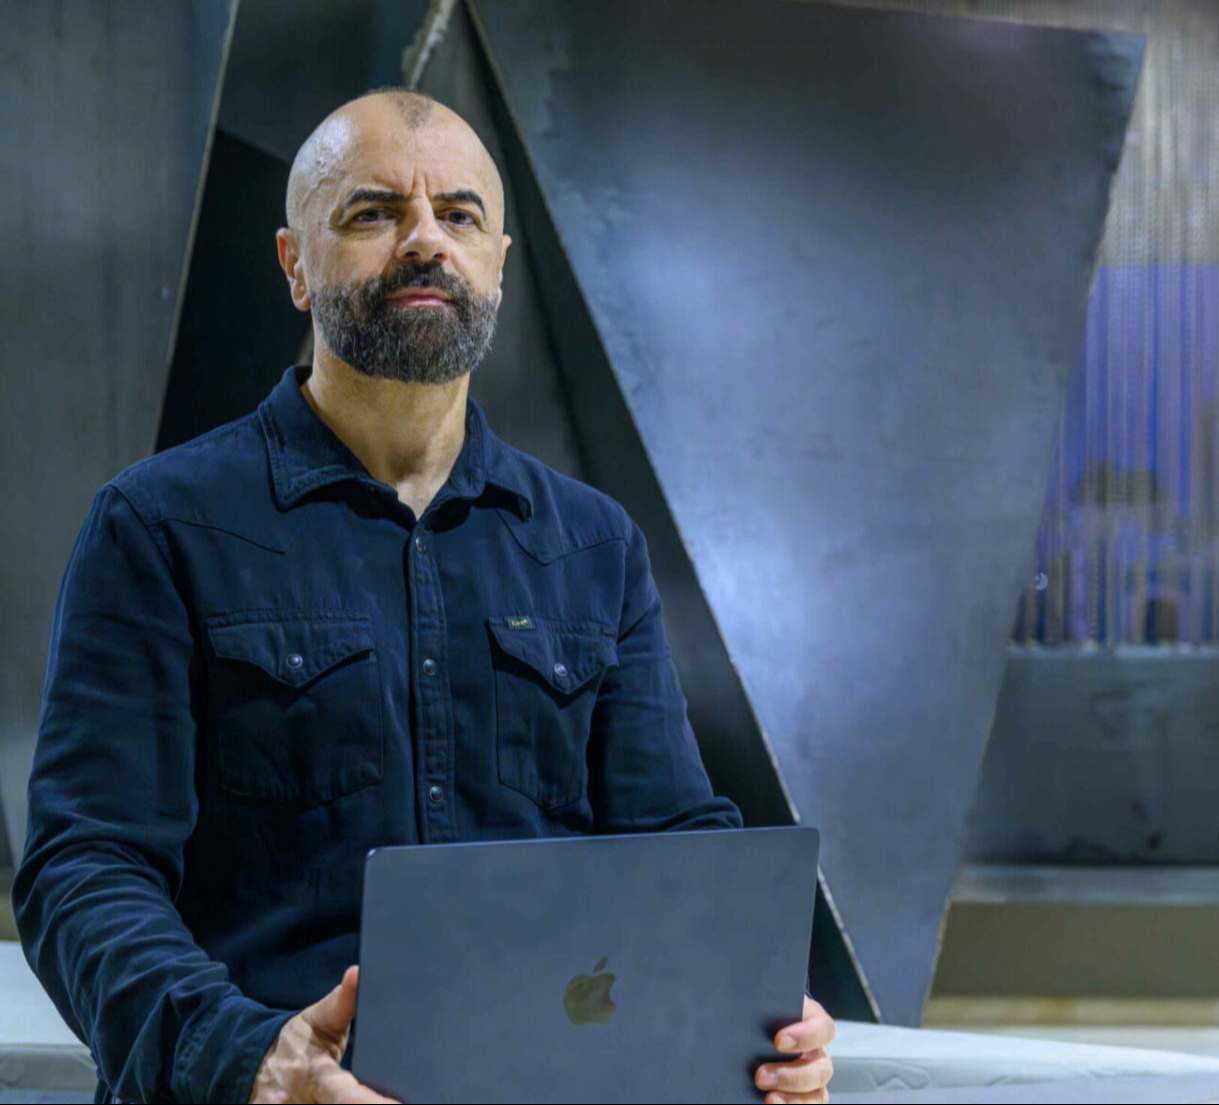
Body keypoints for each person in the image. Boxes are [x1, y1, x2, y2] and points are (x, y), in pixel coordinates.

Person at [13, 87, 833, 1105]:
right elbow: (86, 869)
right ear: (294, 265)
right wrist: (251, 1059)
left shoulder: (592, 544)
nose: (425, 240)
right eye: (373, 212)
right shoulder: (157, 526)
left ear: (498, 263)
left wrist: (760, 1004)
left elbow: (674, 844)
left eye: (459, 214)